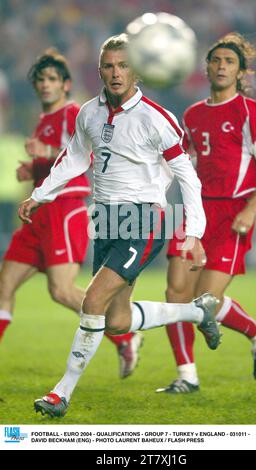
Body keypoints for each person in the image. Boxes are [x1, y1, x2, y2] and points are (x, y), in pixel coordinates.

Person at [18, 34, 221, 418]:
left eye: (123, 65)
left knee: (92, 301)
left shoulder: (157, 119)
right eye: (109, 66)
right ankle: (198, 313)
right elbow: (74, 158)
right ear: (99, 70)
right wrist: (41, 193)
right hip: (106, 219)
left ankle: (62, 393)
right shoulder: (88, 113)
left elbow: (187, 178)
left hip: (143, 219)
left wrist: (193, 230)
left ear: (137, 70)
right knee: (116, 321)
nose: (116, 73)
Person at [0, 48, 143, 380]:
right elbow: (54, 163)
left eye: (52, 79)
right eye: (40, 80)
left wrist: (46, 152)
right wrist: (32, 168)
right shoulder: (43, 119)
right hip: (38, 215)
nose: (45, 85)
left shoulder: (73, 113)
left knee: (62, 290)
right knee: (4, 285)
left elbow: (87, 156)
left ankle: (124, 334)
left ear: (65, 84)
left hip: (65, 210)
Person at [157, 32, 256, 394]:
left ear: (241, 71)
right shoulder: (193, 114)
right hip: (195, 212)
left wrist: (252, 210)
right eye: (216, 60)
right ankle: (187, 376)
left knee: (204, 302)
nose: (222, 66)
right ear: (206, 68)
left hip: (232, 211)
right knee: (175, 293)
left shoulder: (250, 111)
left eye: (229, 61)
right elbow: (185, 165)